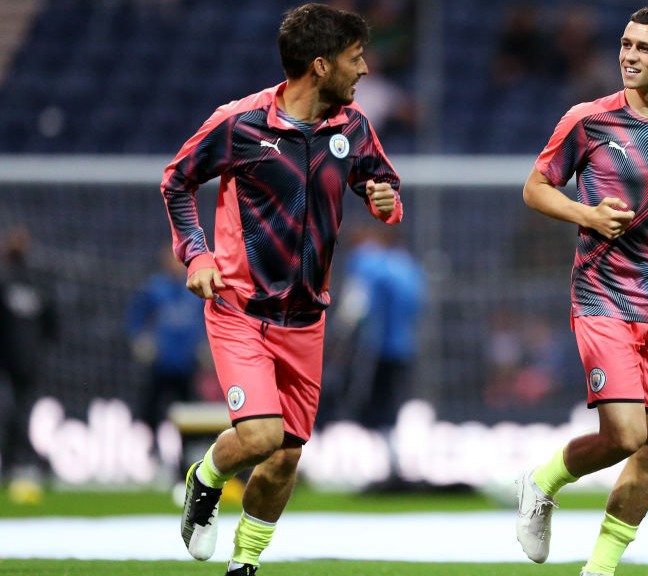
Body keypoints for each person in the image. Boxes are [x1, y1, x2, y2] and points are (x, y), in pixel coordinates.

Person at [159, 4, 403, 575]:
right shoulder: (239, 123)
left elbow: (382, 182)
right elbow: (176, 181)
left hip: (307, 319)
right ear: (320, 66)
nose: (364, 69)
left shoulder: (353, 128)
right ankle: (206, 476)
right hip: (240, 311)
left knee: (287, 455)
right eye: (354, 58)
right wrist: (195, 254)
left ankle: (244, 563)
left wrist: (384, 200)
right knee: (263, 434)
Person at [516, 7, 648, 575]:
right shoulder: (588, 120)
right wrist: (585, 212)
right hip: (602, 296)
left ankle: (600, 569)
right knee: (625, 434)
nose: (629, 55)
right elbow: (536, 189)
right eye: (625, 44)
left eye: (643, 48)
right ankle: (541, 481)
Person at [327, 224, 424, 490]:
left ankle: (377, 466)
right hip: (404, 347)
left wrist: (337, 339)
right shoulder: (407, 264)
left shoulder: (368, 262)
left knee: (363, 404)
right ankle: (392, 463)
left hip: (375, 350)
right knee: (389, 405)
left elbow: (355, 305)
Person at [0, 227, 58, 502]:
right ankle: (20, 462)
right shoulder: (15, 281)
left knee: (19, 411)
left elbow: (52, 324)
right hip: (12, 361)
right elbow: (52, 326)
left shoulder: (34, 283)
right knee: (12, 411)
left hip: (26, 362)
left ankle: (17, 463)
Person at [126, 246, 207, 438]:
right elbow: (135, 315)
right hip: (161, 362)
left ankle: (186, 457)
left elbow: (209, 318)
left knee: (190, 415)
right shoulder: (155, 288)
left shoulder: (195, 287)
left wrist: (207, 345)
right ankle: (151, 451)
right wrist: (140, 339)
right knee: (150, 410)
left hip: (187, 363)